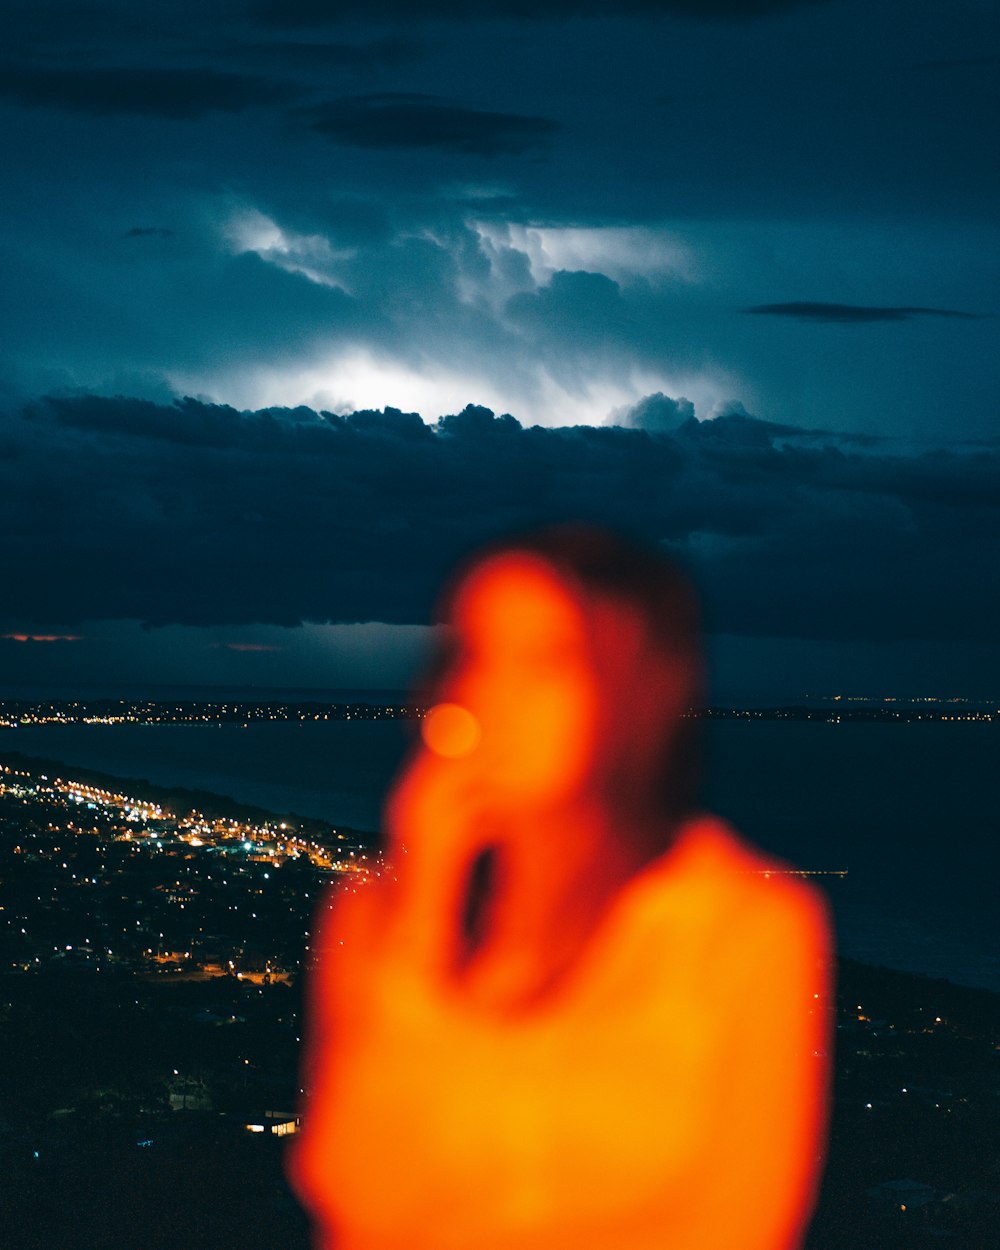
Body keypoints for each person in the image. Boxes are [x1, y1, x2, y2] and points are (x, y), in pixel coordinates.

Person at [289, 525, 832, 1250]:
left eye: (545, 662)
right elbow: (350, 1191)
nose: (490, 693)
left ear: (632, 687)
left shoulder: (748, 927)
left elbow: (744, 1224)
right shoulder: (371, 910)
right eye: (475, 655)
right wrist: (424, 907)